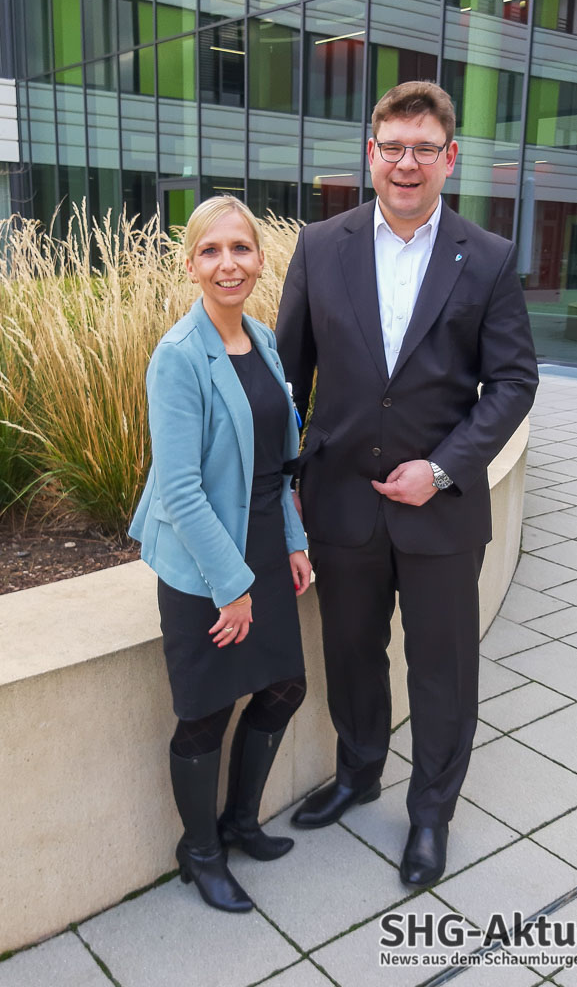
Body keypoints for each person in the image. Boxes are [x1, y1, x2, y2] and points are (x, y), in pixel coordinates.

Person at [275, 81, 538, 888]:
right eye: (393, 147)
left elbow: (513, 383)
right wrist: (283, 486)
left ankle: (431, 814)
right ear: (371, 154)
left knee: (442, 669)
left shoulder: (487, 258)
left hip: (440, 510)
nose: (406, 163)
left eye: (424, 148)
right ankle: (359, 773)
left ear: (449, 157)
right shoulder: (322, 246)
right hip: (341, 503)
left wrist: (444, 467)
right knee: (353, 654)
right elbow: (288, 377)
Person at [129, 196, 312, 913]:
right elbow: (178, 488)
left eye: (241, 248)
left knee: (284, 687)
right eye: (211, 250)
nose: (228, 264)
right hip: (205, 560)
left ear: (261, 259)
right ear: (190, 265)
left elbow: (279, 459)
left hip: (264, 538)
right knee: (206, 712)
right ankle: (200, 850)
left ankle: (239, 822)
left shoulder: (263, 339)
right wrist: (231, 587)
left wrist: (293, 541)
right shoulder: (178, 357)